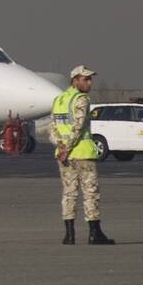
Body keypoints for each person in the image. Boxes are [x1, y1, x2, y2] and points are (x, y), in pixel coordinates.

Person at [49, 65, 114, 245]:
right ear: (75, 80)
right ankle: (95, 233)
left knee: (68, 194)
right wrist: (68, 148)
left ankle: (69, 235)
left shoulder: (59, 100)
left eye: (90, 79)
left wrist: (60, 147)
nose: (89, 83)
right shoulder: (81, 99)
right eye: (85, 79)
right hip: (82, 154)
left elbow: (52, 127)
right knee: (90, 193)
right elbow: (78, 127)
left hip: (64, 157)